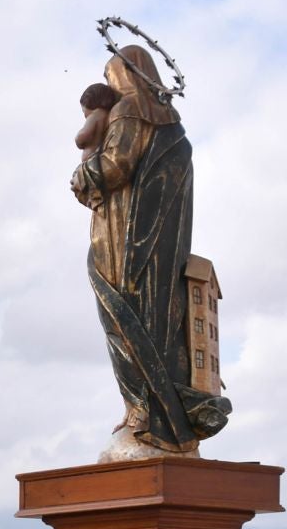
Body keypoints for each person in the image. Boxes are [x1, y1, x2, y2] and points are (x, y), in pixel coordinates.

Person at [71, 43, 229, 454]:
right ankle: (165, 418)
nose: (112, 86)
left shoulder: (128, 112)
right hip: (163, 244)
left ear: (126, 75)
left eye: (112, 77)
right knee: (161, 320)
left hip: (124, 240)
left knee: (123, 319)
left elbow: (113, 168)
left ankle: (143, 412)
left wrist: (81, 173)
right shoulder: (172, 125)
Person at [74, 81, 120, 162]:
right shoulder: (108, 115)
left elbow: (84, 135)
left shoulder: (94, 116)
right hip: (102, 153)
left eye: (83, 111)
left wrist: (78, 140)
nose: (84, 115)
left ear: (88, 102)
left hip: (91, 158)